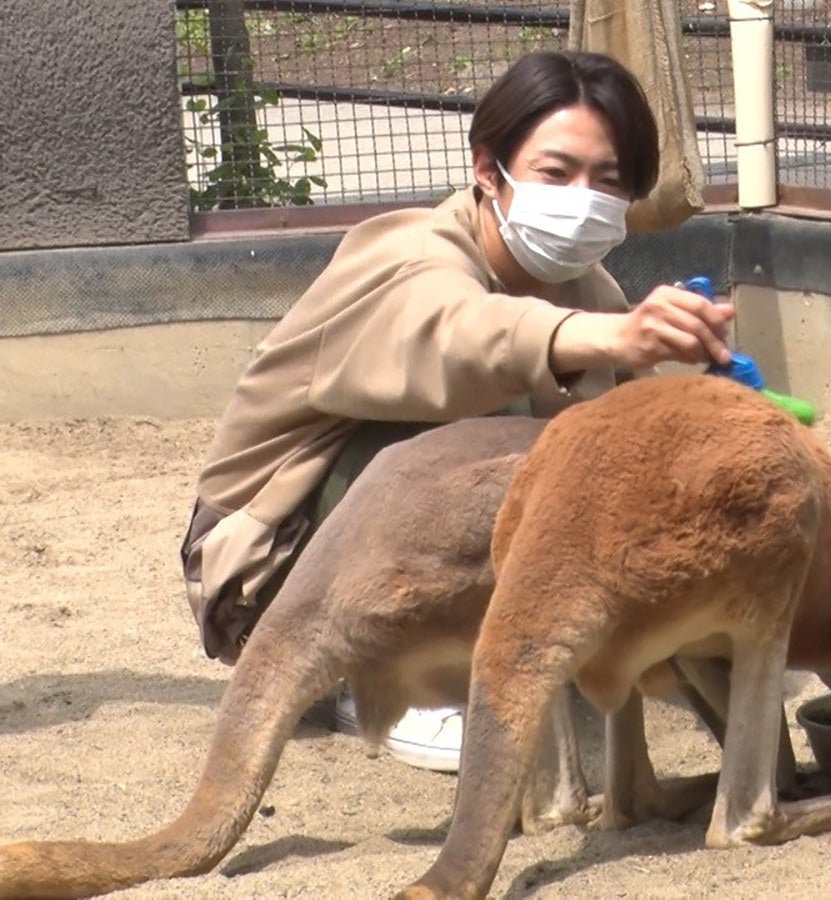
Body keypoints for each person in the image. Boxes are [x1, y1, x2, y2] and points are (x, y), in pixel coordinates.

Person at [179, 49, 734, 773]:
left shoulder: (583, 285)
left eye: (608, 181)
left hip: (397, 562)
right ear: (487, 169)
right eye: (556, 173)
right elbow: (460, 338)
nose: (583, 197)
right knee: (484, 439)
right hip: (268, 570)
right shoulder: (406, 253)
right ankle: (387, 685)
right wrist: (616, 337)